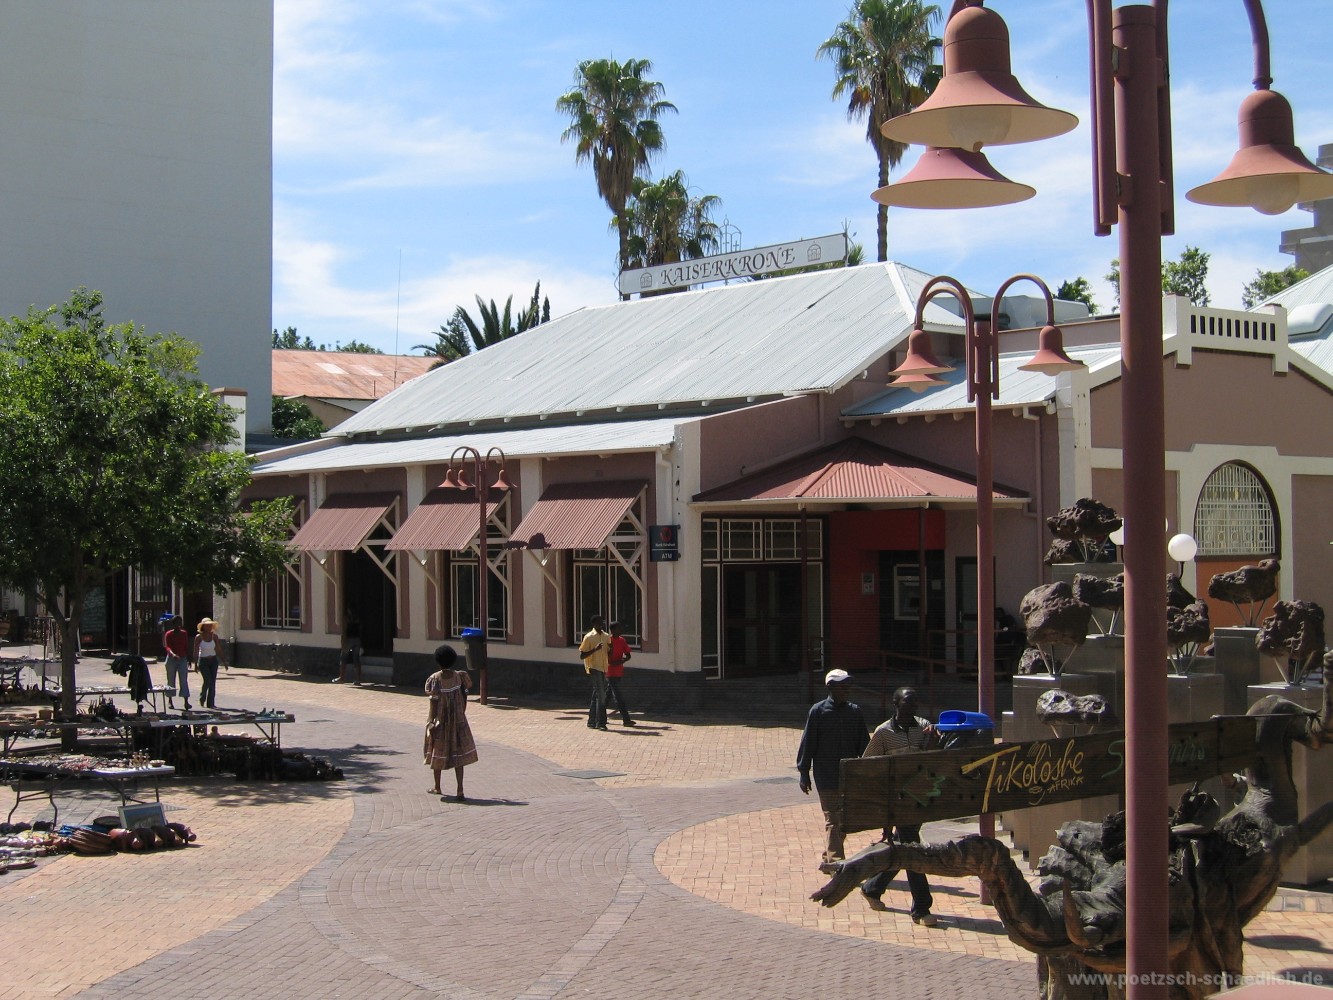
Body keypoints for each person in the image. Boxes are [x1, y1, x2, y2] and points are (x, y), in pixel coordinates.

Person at [859, 686, 939, 926]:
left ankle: (873, 887)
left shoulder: (923, 726)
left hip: (919, 798)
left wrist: (934, 739)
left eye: (915, 701)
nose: (913, 706)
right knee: (913, 850)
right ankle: (922, 908)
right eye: (908, 702)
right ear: (896, 703)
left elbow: (931, 758)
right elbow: (868, 765)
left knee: (903, 848)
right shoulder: (883, 733)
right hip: (897, 801)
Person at [796, 669, 869, 864]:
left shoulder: (855, 712)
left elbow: (864, 745)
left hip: (849, 776)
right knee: (833, 818)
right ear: (830, 687)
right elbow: (808, 743)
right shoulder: (818, 712)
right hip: (826, 775)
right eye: (842, 685)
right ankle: (837, 863)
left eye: (848, 685)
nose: (847, 689)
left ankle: (829, 857)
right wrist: (804, 772)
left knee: (843, 820)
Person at [423, 644, 477, 800]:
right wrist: (461, 713)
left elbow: (433, 703)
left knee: (437, 752)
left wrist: (430, 722)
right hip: (458, 722)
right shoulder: (460, 677)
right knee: (459, 755)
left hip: (441, 722)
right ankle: (460, 789)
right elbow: (465, 696)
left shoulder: (435, 680)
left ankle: (437, 786)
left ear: (438, 662)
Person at [579, 615, 611, 730]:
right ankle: (601, 722)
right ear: (593, 624)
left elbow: (608, 652)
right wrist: (595, 649)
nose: (601, 624)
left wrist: (612, 649)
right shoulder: (589, 637)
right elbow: (582, 655)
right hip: (594, 667)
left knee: (597, 694)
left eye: (602, 622)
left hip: (604, 668)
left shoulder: (606, 636)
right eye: (598, 622)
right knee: (601, 695)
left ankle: (591, 721)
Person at [605, 620, 636, 727]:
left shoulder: (622, 640)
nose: (621, 630)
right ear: (613, 630)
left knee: (607, 695)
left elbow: (628, 655)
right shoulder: (608, 641)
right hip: (610, 672)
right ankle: (626, 719)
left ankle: (599, 716)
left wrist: (622, 660)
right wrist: (612, 662)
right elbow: (604, 656)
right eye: (618, 628)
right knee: (618, 696)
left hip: (618, 671)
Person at [192, 617, 224, 710]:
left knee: (212, 682)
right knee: (207, 680)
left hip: (213, 661)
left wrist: (224, 661)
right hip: (203, 661)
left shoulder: (214, 636)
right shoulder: (198, 637)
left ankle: (211, 703)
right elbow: (195, 651)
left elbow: (218, 649)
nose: (209, 627)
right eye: (207, 626)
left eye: (210, 625)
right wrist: (195, 664)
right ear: (203, 627)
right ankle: (202, 697)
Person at [162, 615, 192, 711]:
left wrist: (189, 658)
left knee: (183, 680)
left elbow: (186, 646)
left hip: (182, 659)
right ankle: (170, 700)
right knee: (171, 680)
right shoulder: (169, 634)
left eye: (180, 622)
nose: (179, 624)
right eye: (177, 622)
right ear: (173, 624)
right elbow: (167, 647)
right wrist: (173, 654)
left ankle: (186, 701)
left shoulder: (184, 633)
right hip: (171, 659)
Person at [334, 607, 362, 685]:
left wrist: (343, 641)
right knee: (356, 659)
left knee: (343, 658)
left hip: (349, 639)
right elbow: (360, 629)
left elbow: (344, 630)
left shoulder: (346, 618)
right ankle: (358, 679)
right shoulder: (357, 618)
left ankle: (342, 677)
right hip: (357, 639)